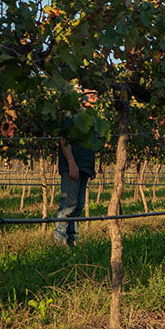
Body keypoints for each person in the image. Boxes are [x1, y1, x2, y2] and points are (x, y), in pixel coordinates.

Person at [54, 90, 98, 247]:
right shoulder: (71, 115)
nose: (95, 99)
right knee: (69, 202)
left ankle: (72, 239)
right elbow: (64, 139)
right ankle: (59, 239)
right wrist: (72, 163)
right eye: (92, 95)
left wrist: (91, 167)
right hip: (73, 166)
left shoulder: (91, 118)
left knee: (79, 205)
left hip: (84, 167)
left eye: (96, 96)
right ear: (82, 97)